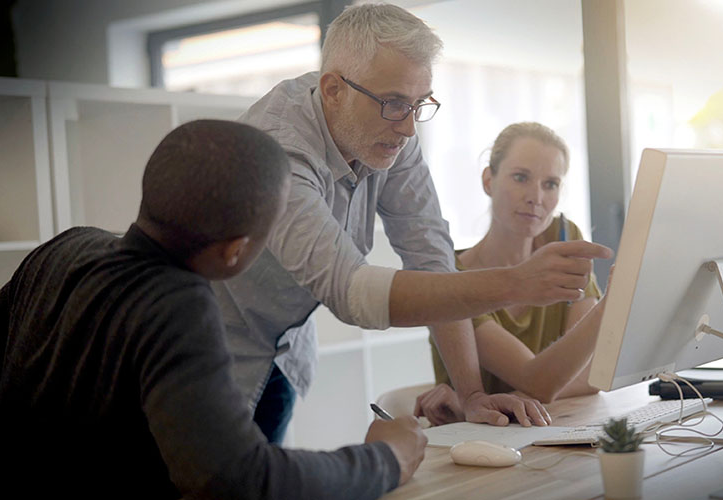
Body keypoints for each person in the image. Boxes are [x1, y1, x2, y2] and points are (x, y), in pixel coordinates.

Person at [213, 3, 613, 443]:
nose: (407, 130)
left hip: (284, 347)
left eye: (419, 104)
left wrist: (473, 394)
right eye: (394, 104)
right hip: (210, 346)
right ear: (332, 90)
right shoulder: (280, 153)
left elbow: (429, 256)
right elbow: (354, 292)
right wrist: (516, 282)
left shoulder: (386, 129)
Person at [0, 120, 426, 499]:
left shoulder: (65, 247)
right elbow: (237, 479)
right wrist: (384, 459)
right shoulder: (177, 304)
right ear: (235, 251)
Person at [415, 122, 613, 426]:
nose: (536, 197)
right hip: (474, 444)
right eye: (521, 178)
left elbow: (593, 374)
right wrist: (614, 303)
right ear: (488, 180)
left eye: (550, 184)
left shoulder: (562, 240)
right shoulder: (452, 275)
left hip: (547, 429)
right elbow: (540, 382)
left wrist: (502, 400)